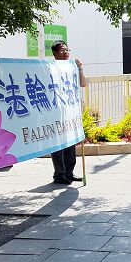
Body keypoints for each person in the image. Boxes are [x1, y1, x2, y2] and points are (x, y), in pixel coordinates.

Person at [50, 40, 88, 185]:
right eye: (62, 51)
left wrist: (80, 69)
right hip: (55, 111)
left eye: (67, 50)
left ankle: (69, 173)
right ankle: (59, 174)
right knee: (58, 144)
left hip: (69, 111)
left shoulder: (72, 66)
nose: (66, 53)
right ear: (54, 53)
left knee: (69, 142)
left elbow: (83, 84)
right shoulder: (50, 67)